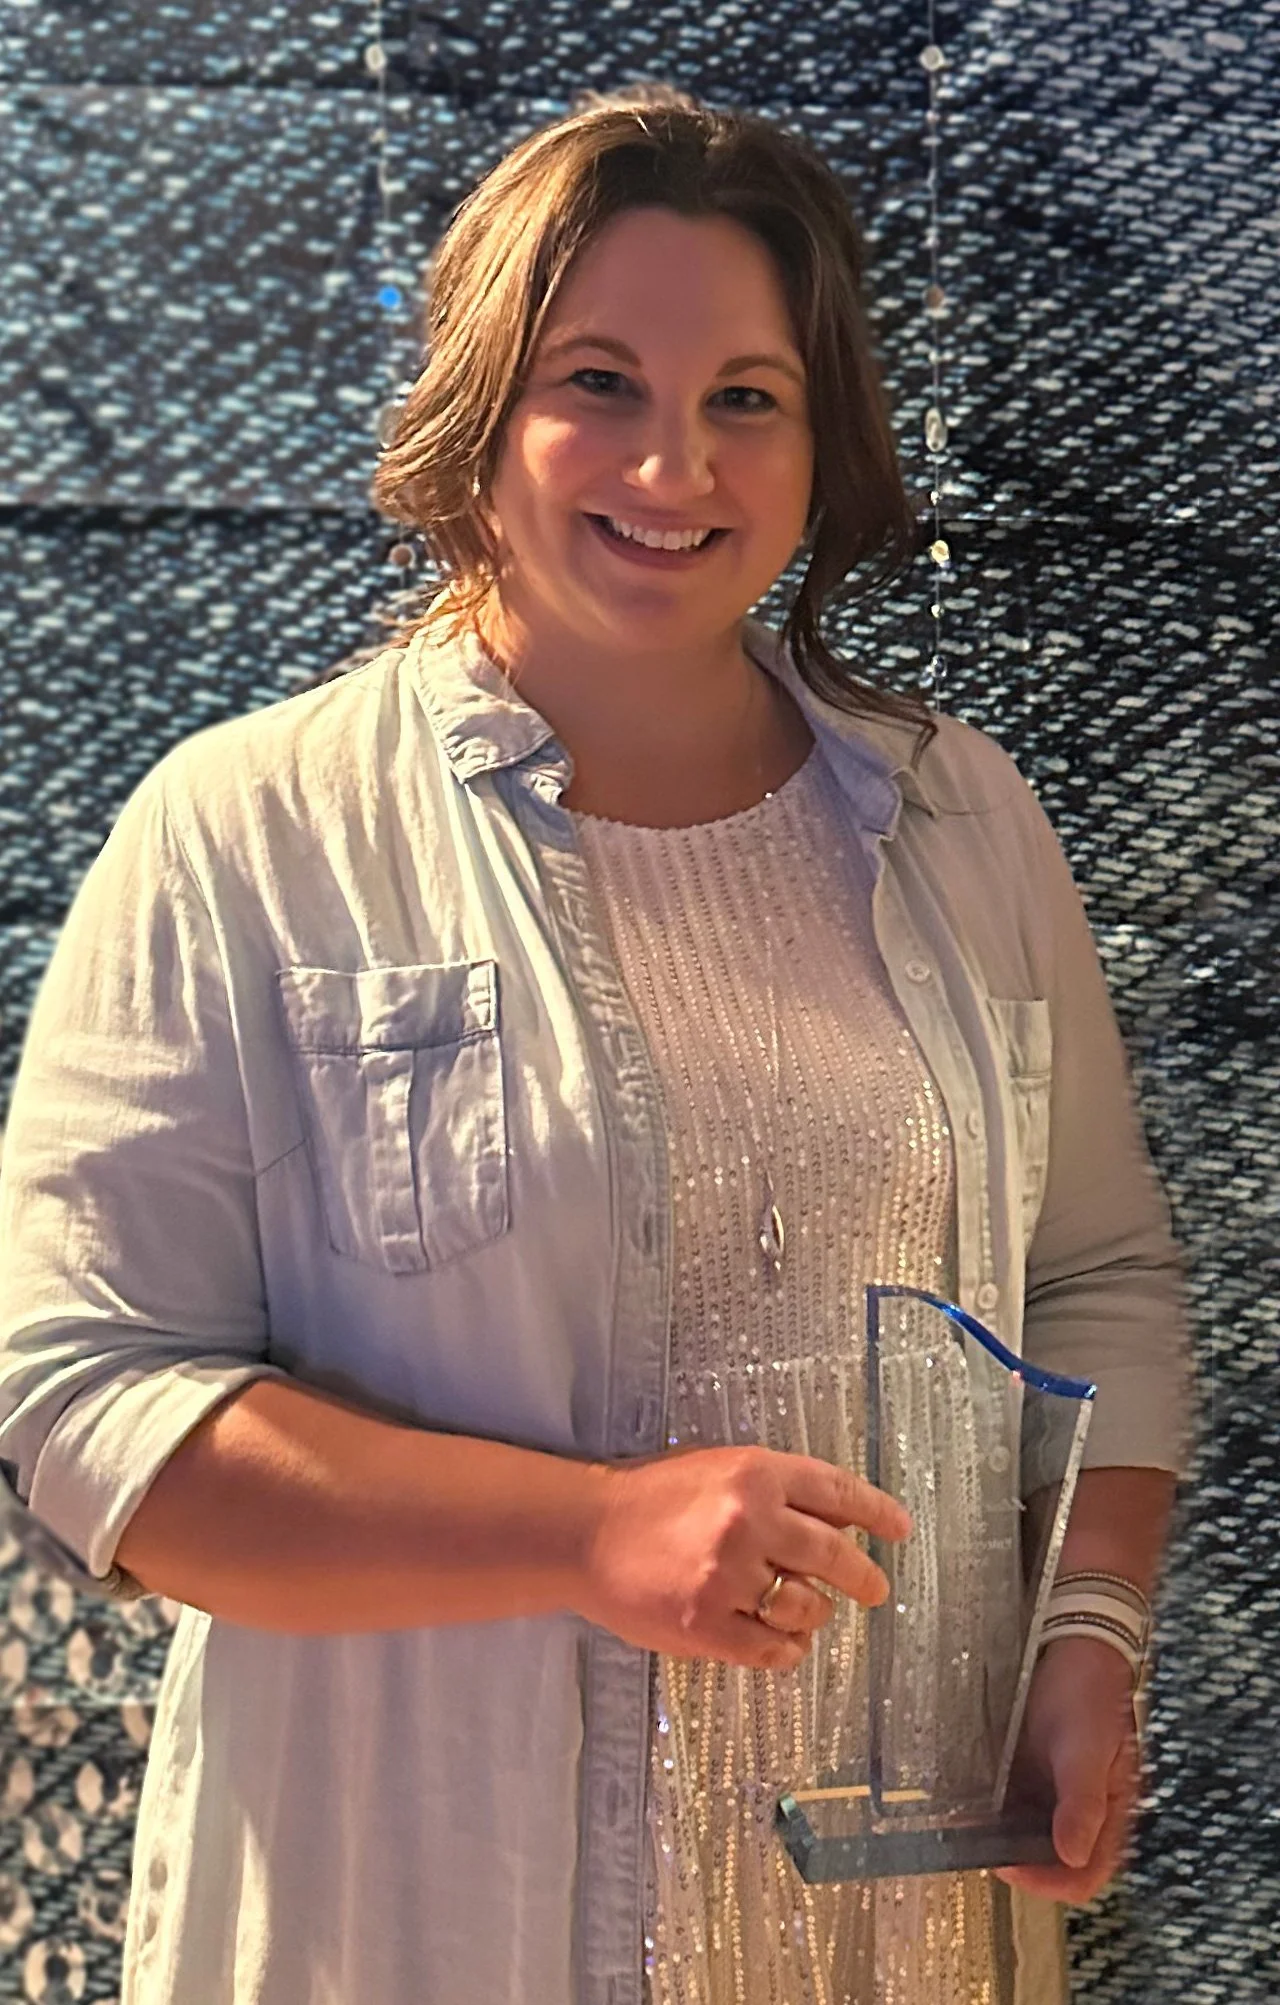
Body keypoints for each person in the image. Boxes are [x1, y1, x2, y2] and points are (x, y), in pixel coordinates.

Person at [0, 84, 1193, 2005]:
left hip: (887, 1940)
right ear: (483, 413)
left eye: (745, 395)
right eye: (600, 380)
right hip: (413, 1916)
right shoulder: (247, 831)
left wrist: (1090, 1639)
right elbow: (84, 1410)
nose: (673, 462)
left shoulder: (963, 817)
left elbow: (1099, 1277)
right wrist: (588, 1535)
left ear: (823, 445)